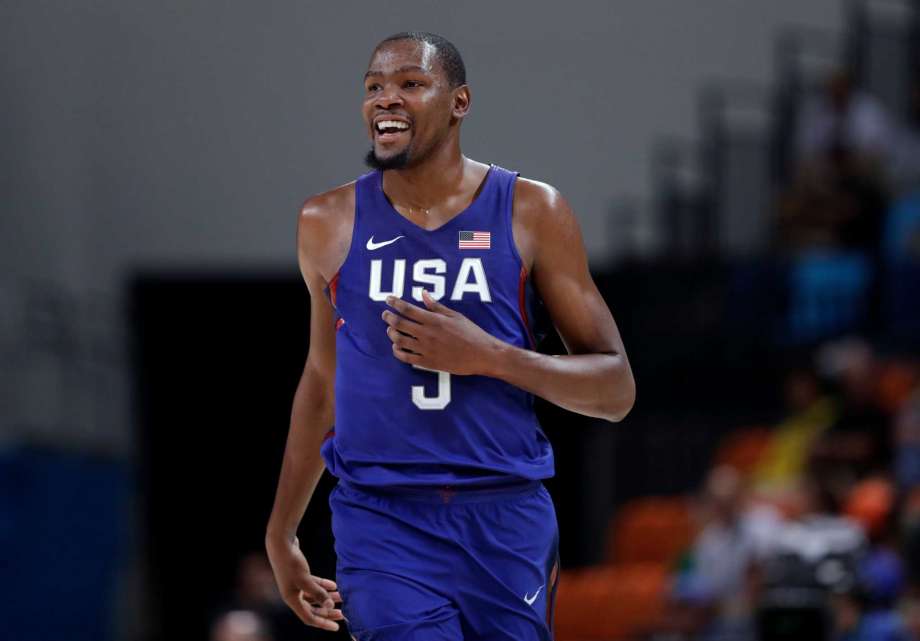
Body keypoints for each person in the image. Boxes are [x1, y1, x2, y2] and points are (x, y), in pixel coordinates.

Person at [264, 31, 635, 641]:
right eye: (374, 88)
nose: (386, 99)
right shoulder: (325, 222)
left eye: (411, 84)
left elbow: (615, 389)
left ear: (458, 102)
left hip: (505, 509)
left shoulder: (532, 210)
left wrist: (488, 357)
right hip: (381, 516)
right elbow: (323, 381)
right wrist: (281, 532)